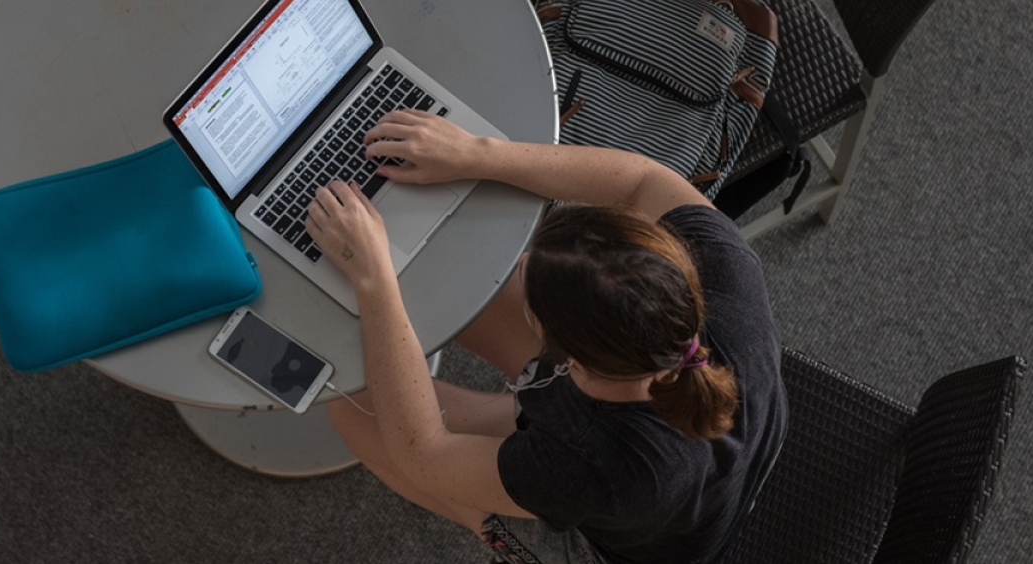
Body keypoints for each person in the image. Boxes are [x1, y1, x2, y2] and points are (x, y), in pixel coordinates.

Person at [304, 109, 786, 564]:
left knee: (352, 408)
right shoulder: (723, 272)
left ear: (569, 360)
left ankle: (485, 519)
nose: (520, 263)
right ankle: (510, 426)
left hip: (624, 541)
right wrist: (480, 153)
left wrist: (374, 280)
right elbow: (643, 180)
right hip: (690, 458)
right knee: (459, 292)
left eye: (535, 297)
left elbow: (422, 454)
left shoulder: (590, 464)